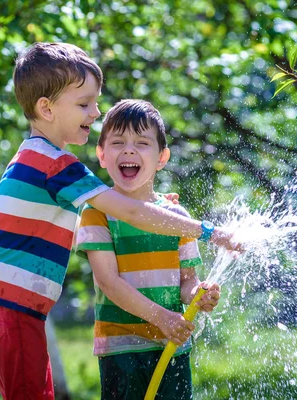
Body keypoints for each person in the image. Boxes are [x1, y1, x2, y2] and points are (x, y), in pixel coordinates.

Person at [0, 43, 235, 400]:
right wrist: (210, 232)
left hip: (8, 304)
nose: (96, 111)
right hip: (10, 306)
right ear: (46, 108)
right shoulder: (54, 164)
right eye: (84, 103)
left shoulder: (34, 155)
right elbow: (131, 211)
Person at [76, 99, 221, 400]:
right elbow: (108, 283)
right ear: (101, 155)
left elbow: (186, 282)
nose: (129, 150)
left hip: (172, 346)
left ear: (162, 157)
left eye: (142, 143)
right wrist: (164, 319)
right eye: (118, 142)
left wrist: (198, 295)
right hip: (122, 348)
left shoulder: (178, 219)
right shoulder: (96, 214)